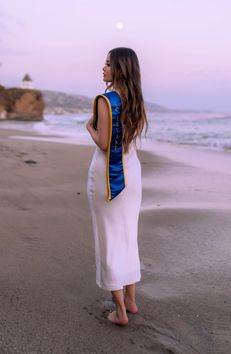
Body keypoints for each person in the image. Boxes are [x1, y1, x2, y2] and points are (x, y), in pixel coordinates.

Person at [86, 47, 148, 326]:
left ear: (120, 69)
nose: (103, 68)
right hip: (132, 175)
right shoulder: (135, 99)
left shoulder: (106, 100)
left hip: (109, 179)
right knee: (127, 236)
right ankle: (132, 300)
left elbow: (104, 142)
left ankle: (119, 311)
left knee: (109, 238)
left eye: (108, 64)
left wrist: (89, 126)